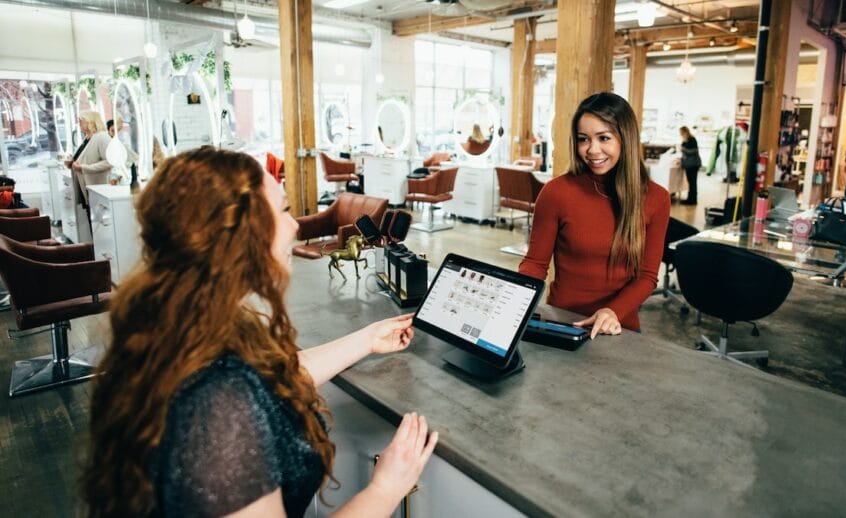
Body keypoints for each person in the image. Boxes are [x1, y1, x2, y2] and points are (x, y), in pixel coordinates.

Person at [82, 147, 438, 517]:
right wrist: (386, 489)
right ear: (240, 235)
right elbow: (238, 389)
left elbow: (272, 378)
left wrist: (366, 340)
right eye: (283, 211)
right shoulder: (217, 407)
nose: (295, 226)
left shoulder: (177, 323)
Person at [519, 92, 670, 336]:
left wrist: (612, 311)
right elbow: (535, 264)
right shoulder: (556, 192)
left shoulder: (656, 199)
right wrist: (515, 301)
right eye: (583, 139)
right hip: (563, 323)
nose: (592, 150)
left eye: (604, 138)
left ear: (625, 139)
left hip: (619, 327)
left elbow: (647, 276)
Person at [69, 111, 111, 207]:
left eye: (81, 121)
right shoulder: (88, 138)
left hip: (97, 187)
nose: (79, 124)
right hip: (86, 185)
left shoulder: (102, 137)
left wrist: (84, 168)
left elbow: (109, 162)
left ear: (90, 121)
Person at [679, 126, 701, 205]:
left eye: (681, 133)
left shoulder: (692, 140)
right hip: (688, 165)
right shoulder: (685, 141)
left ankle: (693, 200)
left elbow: (694, 151)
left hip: (693, 165)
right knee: (690, 182)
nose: (681, 134)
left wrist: (684, 149)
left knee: (693, 183)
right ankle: (690, 198)